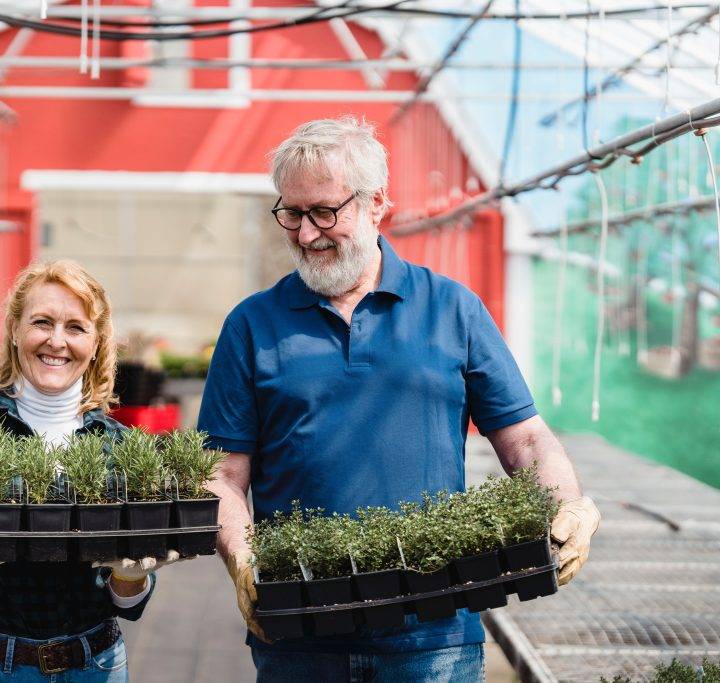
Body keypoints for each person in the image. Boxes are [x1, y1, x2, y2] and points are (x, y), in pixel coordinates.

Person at [198, 117, 601, 682]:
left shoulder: (452, 309)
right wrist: (242, 558)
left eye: (324, 212)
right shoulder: (252, 324)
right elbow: (223, 472)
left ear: (377, 203)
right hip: (300, 631)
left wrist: (567, 504)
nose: (306, 233)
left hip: (433, 631)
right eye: (291, 213)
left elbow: (526, 438)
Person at [0, 259, 181, 682]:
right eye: (41, 322)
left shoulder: (122, 446)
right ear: (15, 330)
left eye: (75, 327)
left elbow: (130, 605)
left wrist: (131, 576)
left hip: (95, 665)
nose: (56, 341)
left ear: (96, 342)